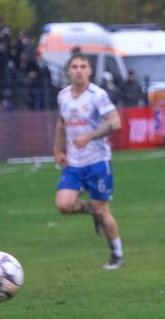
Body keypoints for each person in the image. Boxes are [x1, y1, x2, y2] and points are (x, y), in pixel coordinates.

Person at [53, 53, 124, 270]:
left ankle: (117, 254)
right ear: (68, 71)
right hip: (74, 163)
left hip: (97, 161)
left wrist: (89, 136)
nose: (79, 70)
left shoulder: (97, 95)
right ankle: (90, 210)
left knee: (103, 209)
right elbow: (61, 122)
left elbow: (115, 122)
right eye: (74, 66)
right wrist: (57, 149)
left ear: (89, 71)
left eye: (83, 66)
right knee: (64, 205)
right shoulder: (63, 96)